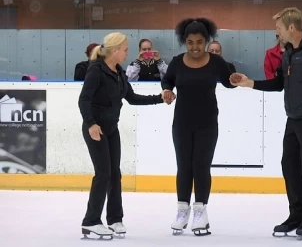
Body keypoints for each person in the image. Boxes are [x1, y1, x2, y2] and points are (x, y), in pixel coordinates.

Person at [230, 7, 302, 238]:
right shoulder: (287, 53)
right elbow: (279, 83)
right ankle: (295, 214)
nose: (276, 32)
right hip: (293, 118)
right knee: (289, 165)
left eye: (278, 28)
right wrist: (250, 83)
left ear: (290, 27)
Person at [78, 32, 170, 240]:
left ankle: (114, 219)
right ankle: (91, 221)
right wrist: (91, 123)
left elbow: (132, 97)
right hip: (96, 129)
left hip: (111, 129)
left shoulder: (119, 72)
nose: (128, 53)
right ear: (114, 50)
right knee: (103, 173)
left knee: (114, 174)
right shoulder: (96, 70)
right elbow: (84, 100)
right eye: (126, 49)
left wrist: (160, 98)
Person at [161, 18, 236, 236]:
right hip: (182, 123)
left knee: (201, 166)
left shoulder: (215, 62)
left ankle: (200, 211)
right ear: (185, 41)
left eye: (199, 42)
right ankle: (182, 210)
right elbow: (168, 80)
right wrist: (166, 90)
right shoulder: (177, 62)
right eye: (191, 42)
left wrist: (234, 78)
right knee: (184, 166)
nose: (195, 47)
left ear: (206, 41)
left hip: (207, 124)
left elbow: (228, 81)